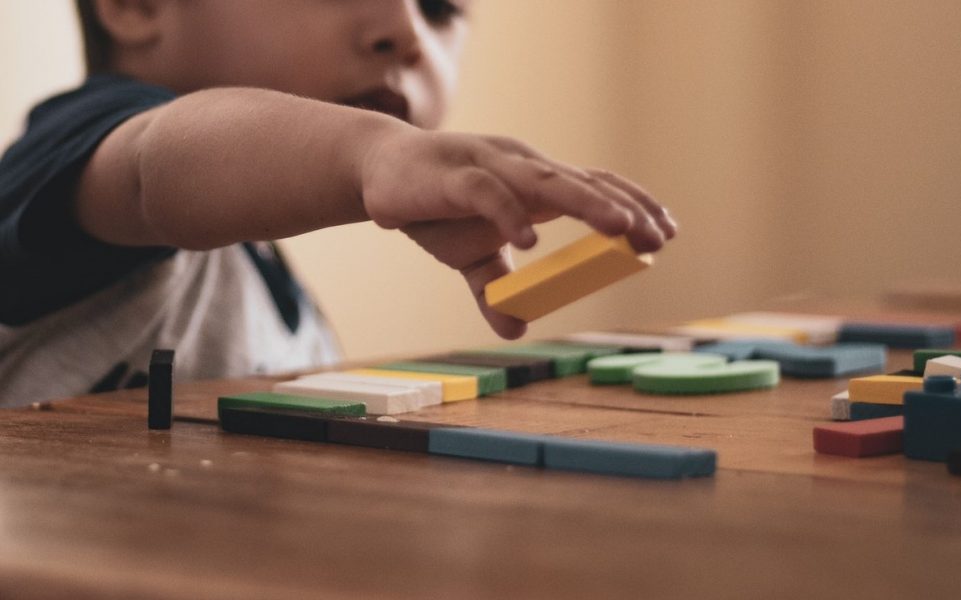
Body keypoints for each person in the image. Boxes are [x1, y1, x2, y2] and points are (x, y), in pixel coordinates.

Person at [0, 0, 676, 407]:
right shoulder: (87, 150)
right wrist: (368, 153)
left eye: (439, 5)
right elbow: (157, 168)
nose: (405, 31)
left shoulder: (257, 267)